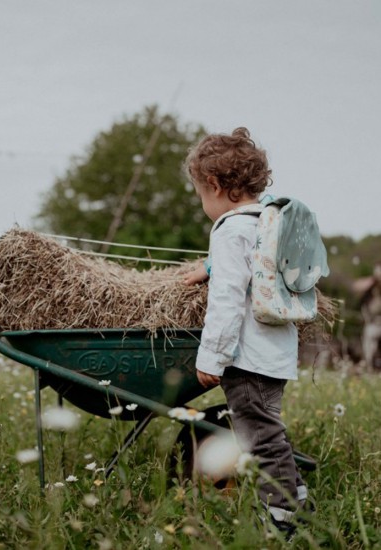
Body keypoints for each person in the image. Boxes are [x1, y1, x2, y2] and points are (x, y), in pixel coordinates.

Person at [183, 127, 309, 537]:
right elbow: (254, 268)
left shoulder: (228, 229)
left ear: (214, 186)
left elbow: (228, 298)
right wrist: (209, 265)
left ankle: (282, 518)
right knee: (269, 427)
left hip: (247, 357)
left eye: (201, 193)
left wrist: (211, 358)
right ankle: (297, 496)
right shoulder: (270, 219)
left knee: (259, 437)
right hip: (277, 352)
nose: (203, 203)